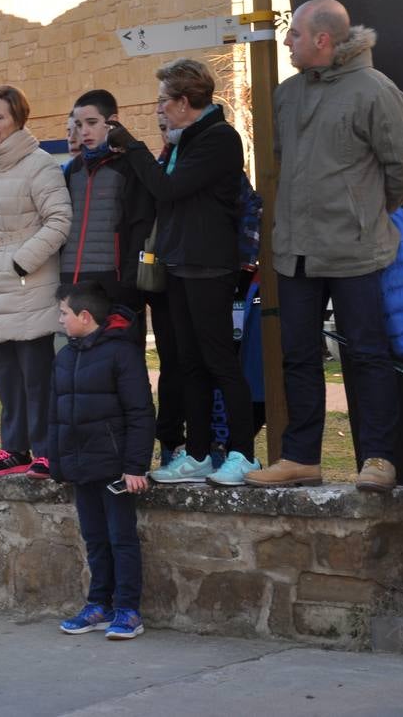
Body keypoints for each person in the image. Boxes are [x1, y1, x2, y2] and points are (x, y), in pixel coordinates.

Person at [246, 0, 403, 493]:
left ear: (322, 39)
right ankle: (301, 457)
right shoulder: (287, 95)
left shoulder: (375, 90)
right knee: (298, 357)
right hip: (296, 252)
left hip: (357, 253)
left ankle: (379, 459)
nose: (287, 40)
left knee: (367, 355)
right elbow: (284, 161)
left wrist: (367, 212)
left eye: (295, 33)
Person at [107, 58, 260, 486]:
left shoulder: (219, 139)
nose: (159, 108)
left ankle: (243, 454)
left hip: (209, 265)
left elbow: (168, 189)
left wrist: (134, 147)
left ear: (184, 101)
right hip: (178, 263)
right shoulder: (182, 141)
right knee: (189, 363)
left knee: (219, 361)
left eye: (163, 100)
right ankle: (198, 454)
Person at [0, 85, 71, 479]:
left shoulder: (39, 165)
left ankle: (46, 451)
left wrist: (21, 262)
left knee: (36, 377)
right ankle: (14, 449)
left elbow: (59, 219)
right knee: (5, 376)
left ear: (18, 120)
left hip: (27, 284)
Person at [49, 282, 153, 641]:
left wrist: (135, 466)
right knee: (94, 538)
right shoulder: (64, 357)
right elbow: (55, 415)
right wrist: (57, 463)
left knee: (121, 538)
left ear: (85, 316)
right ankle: (98, 605)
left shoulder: (122, 354)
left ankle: (128, 609)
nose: (60, 320)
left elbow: (140, 412)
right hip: (80, 467)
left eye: (64, 313)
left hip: (114, 467)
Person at [59, 90, 154, 328]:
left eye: (92, 123)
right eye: (79, 124)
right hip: (73, 283)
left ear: (112, 121)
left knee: (119, 349)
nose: (84, 131)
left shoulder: (129, 167)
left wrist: (130, 285)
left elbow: (141, 228)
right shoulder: (72, 170)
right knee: (79, 351)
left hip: (115, 286)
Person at [146, 112, 185, 467]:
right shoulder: (159, 164)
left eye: (171, 126)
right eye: (161, 128)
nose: (167, 133)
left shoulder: (199, 157)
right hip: (162, 276)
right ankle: (171, 441)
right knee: (171, 361)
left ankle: (207, 441)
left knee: (197, 361)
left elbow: (248, 206)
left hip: (199, 273)